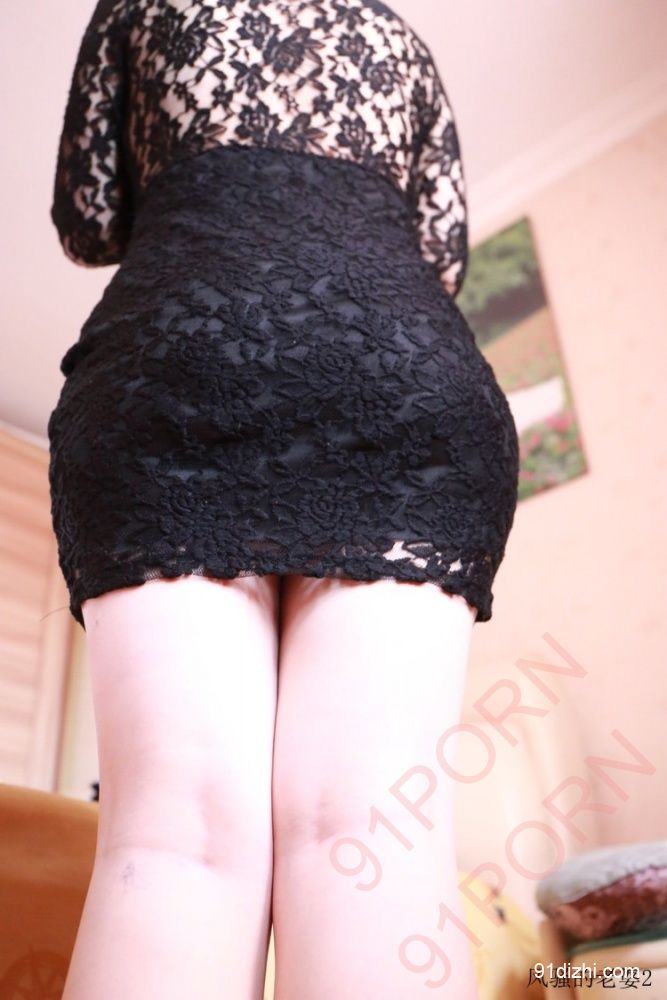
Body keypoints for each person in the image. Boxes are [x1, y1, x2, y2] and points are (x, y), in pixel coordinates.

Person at [46, 0, 520, 997]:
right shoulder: (402, 44)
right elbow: (442, 260)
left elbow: (88, 222)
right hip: (399, 369)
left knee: (178, 836)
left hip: (185, 347)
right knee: (370, 832)